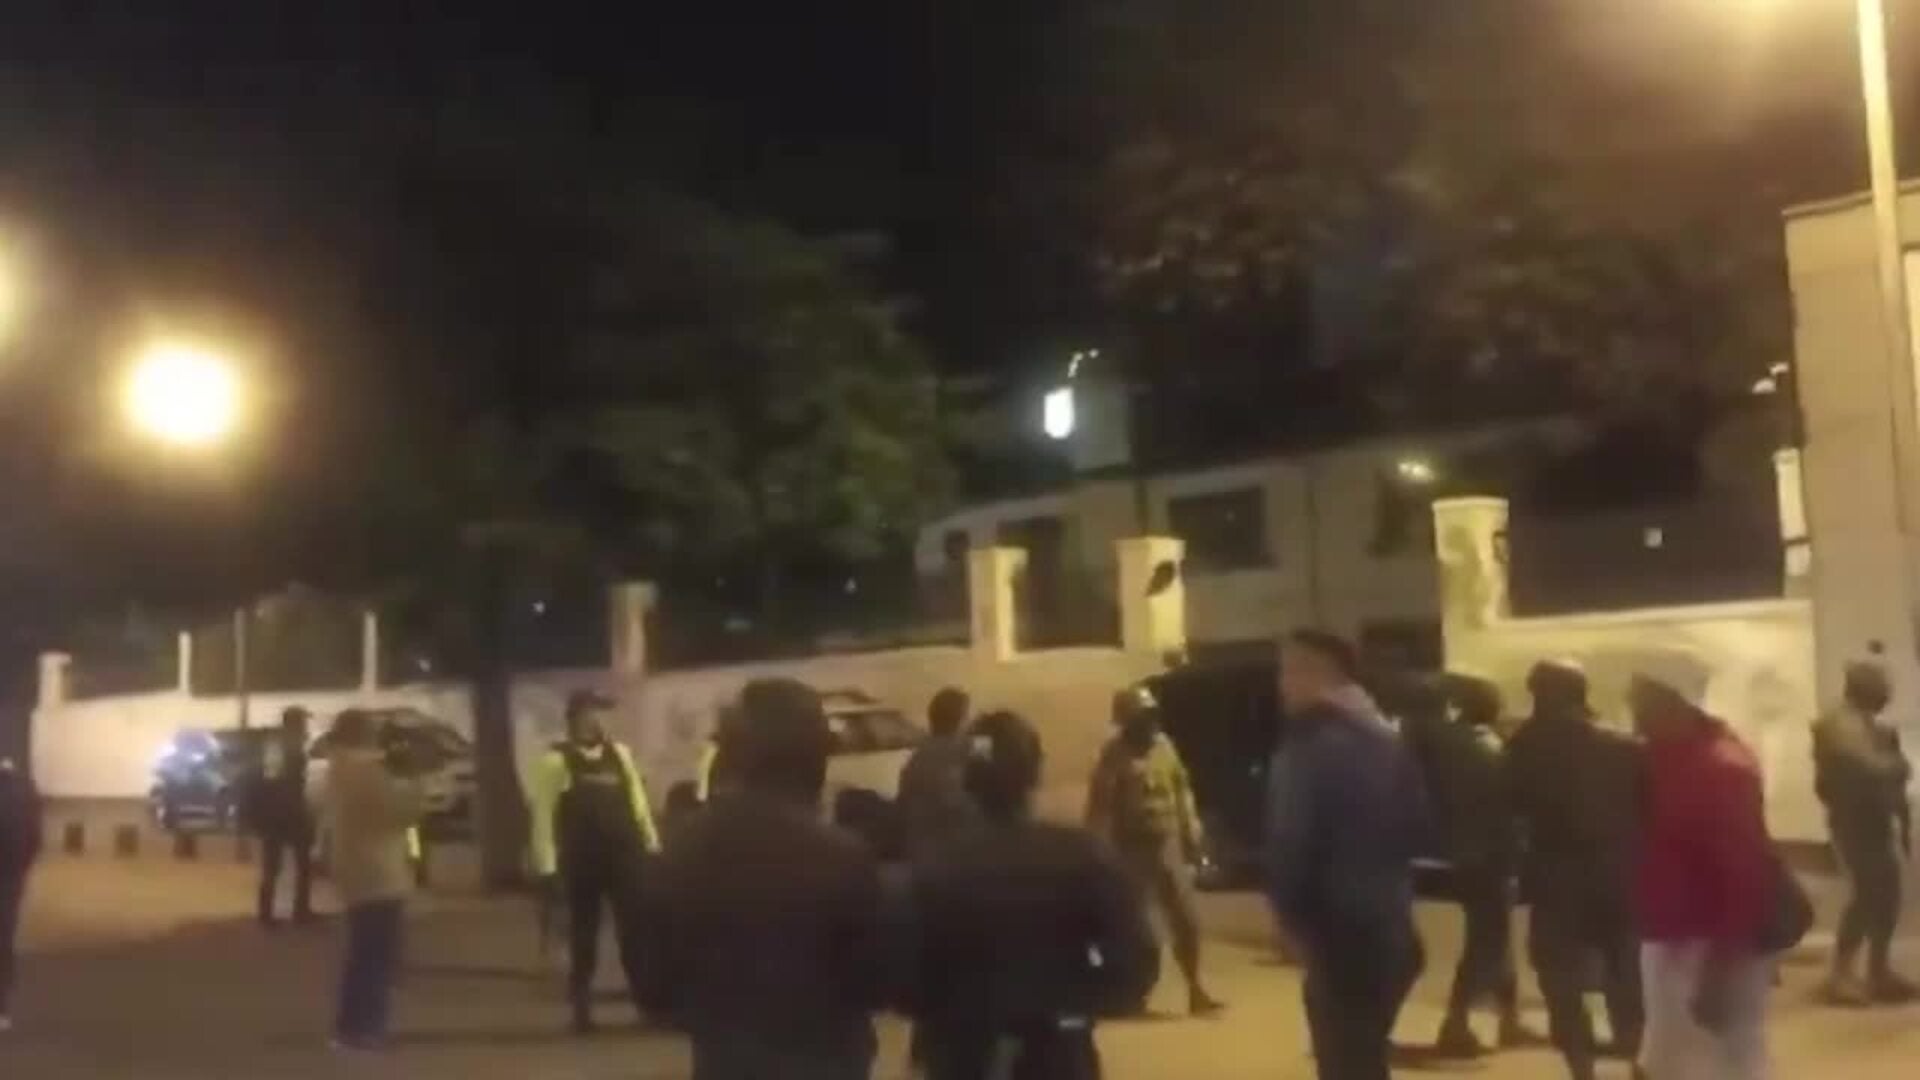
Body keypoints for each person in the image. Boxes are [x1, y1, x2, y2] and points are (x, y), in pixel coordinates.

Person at [640, 678, 888, 1080]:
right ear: (814, 758)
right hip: (826, 1062)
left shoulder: (682, 848)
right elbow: (878, 981)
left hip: (725, 1063)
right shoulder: (845, 856)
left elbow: (655, 986)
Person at [911, 710, 1159, 1080]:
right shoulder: (1082, 855)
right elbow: (1136, 962)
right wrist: (1074, 1008)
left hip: (961, 1054)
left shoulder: (934, 866)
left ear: (966, 780)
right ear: (1036, 772)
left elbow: (902, 972)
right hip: (1058, 1053)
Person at [1266, 630, 1428, 1080]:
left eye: (1289, 671)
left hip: (1338, 933)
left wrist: (1289, 921)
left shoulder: (1308, 745)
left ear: (1318, 674)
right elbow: (1419, 826)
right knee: (1367, 1057)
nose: (1283, 684)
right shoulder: (1388, 739)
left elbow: (1290, 842)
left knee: (1342, 1061)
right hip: (1392, 928)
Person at [1632, 663, 1774, 1080]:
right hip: (1670, 934)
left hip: (1706, 941)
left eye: (1642, 700)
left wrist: (1722, 963)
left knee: (1728, 1057)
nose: (1633, 711)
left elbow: (1742, 871)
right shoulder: (1662, 757)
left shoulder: (1721, 769)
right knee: (1670, 1057)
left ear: (1675, 704)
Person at [1505, 660, 1645, 1080]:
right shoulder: (1623, 746)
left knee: (1559, 978)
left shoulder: (1524, 746)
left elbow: (1510, 811)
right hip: (1620, 872)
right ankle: (1637, 1057)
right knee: (1627, 972)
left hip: (1557, 877)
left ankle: (1581, 1067)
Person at [1399, 673, 1529, 1058]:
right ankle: (1456, 1023)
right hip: (1487, 854)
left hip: (1471, 851)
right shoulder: (1476, 745)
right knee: (1488, 940)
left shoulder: (1450, 740)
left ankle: (1509, 1019)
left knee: (1495, 936)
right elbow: (1503, 802)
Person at [1084, 684, 1223, 1016]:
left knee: (1187, 921)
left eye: (1150, 715)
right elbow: (1101, 808)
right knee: (1137, 930)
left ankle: (1195, 988)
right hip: (1131, 849)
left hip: (1167, 843)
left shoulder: (1164, 746)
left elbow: (1181, 789)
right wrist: (1099, 852)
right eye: (1141, 717)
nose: (1149, 722)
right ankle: (1133, 993)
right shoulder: (1114, 755)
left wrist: (1192, 832)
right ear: (1126, 721)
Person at [528, 690, 661, 1034]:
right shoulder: (555, 761)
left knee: (636, 933)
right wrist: (547, 866)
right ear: (574, 718)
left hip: (625, 856)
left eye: (601, 713)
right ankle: (581, 1011)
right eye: (591, 713)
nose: (597, 720)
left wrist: (651, 846)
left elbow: (638, 804)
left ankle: (647, 1006)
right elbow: (543, 817)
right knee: (582, 935)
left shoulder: (620, 755)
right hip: (581, 860)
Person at [321, 709, 426, 1051]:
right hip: (379, 872)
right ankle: (367, 1028)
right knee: (376, 957)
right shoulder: (367, 771)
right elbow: (403, 811)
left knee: (361, 954)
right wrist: (414, 779)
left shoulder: (338, 769)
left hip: (355, 870)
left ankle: (349, 1026)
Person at [1813, 660, 1915, 1004]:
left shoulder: (1873, 727)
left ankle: (1878, 971)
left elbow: (1892, 773)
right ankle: (1840, 975)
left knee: (1887, 896)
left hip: (1875, 820)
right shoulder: (1837, 723)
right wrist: (1895, 766)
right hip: (1852, 822)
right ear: (1862, 687)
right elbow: (1871, 767)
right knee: (1865, 896)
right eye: (1881, 686)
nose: (1888, 693)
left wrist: (1902, 818)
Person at [897, 687, 979, 858]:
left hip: (920, 849)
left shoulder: (919, 757)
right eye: (967, 717)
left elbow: (903, 803)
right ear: (960, 721)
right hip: (955, 851)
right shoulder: (966, 752)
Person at [255, 705, 317, 927]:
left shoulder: (281, 744)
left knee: (282, 864)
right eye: (303, 722)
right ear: (295, 723)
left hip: (280, 812)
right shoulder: (282, 746)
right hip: (284, 812)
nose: (306, 727)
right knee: (287, 864)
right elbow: (273, 780)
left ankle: (281, 912)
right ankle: (288, 912)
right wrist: (291, 805)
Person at [0, 756, 42, 1034]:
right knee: (3, 939)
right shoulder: (23, 790)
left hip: (8, 875)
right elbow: (33, 839)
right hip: (9, 879)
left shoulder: (18, 791)